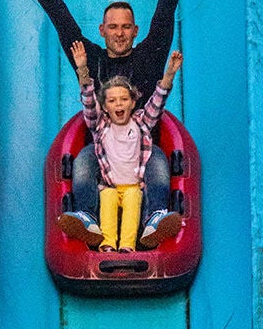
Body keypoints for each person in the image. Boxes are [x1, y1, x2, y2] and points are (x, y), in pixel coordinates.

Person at [16, 0, 198, 248]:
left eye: (126, 27)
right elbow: (64, 23)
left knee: (158, 159)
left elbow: (164, 16)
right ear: (102, 31)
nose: (119, 33)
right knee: (84, 158)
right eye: (113, 27)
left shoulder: (150, 56)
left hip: (140, 153)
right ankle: (87, 219)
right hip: (103, 155)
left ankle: (155, 219)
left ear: (135, 30)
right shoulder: (91, 60)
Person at [71, 39, 183, 251]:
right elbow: (88, 99)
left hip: (134, 186)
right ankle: (104, 240)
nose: (119, 104)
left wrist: (169, 75)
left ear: (133, 102)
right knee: (107, 197)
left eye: (124, 99)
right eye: (112, 101)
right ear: (105, 106)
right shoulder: (100, 125)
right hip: (110, 186)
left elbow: (158, 100)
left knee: (133, 199)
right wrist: (83, 69)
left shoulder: (141, 122)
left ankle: (137, 238)